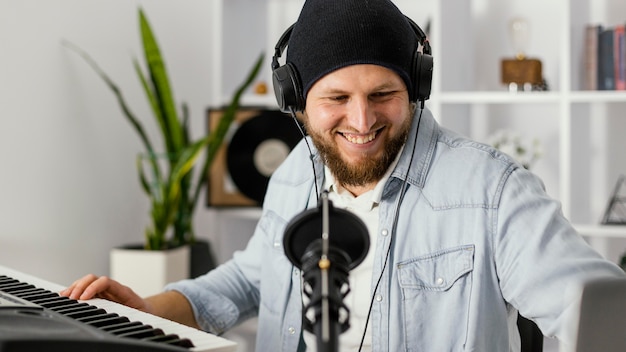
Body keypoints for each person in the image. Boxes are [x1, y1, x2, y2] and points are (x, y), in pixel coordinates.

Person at [62, 0, 626, 351]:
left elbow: (597, 312)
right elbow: (251, 280)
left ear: (417, 89)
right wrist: (149, 307)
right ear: (296, 103)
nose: (361, 122)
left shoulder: (493, 190)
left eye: (384, 94)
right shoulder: (293, 173)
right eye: (336, 98)